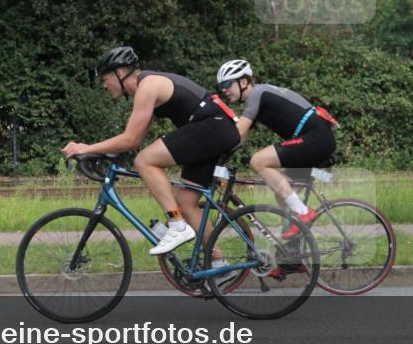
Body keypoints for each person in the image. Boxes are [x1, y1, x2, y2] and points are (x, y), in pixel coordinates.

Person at [63, 46, 240, 255]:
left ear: (119, 73)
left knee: (145, 161)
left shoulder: (147, 86)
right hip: (216, 128)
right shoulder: (147, 87)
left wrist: (87, 148)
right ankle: (218, 262)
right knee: (185, 201)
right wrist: (102, 150)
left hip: (213, 127)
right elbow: (135, 138)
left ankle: (176, 224)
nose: (104, 85)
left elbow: (129, 140)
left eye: (105, 79)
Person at [216, 59, 338, 236]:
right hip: (315, 139)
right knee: (283, 195)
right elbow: (238, 140)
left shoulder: (257, 94)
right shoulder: (258, 98)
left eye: (227, 84)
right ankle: (292, 260)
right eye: (221, 86)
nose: (224, 90)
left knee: (258, 161)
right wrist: (220, 159)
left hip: (316, 138)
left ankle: (304, 213)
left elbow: (238, 131)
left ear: (243, 82)